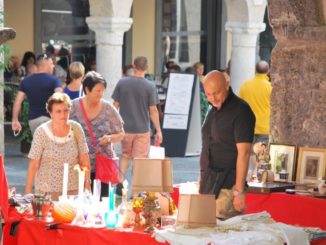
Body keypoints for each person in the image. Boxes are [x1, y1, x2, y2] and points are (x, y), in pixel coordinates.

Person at [199, 70, 255, 220]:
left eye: (216, 93)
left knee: (223, 236)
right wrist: (202, 176)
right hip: (208, 183)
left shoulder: (241, 110)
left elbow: (244, 153)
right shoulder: (212, 109)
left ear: (227, 85)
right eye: (208, 94)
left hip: (227, 186)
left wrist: (239, 191)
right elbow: (208, 145)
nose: (212, 98)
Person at [25, 92, 90, 201]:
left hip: (73, 191)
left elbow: (84, 159)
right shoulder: (41, 132)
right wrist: (27, 193)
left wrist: (87, 185)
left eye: (66, 110)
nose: (63, 115)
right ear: (51, 113)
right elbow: (34, 164)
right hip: (47, 193)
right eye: (58, 111)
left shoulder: (76, 128)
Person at [112, 56, 162, 195]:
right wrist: (158, 130)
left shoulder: (122, 83)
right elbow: (153, 110)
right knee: (139, 161)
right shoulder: (150, 86)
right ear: (146, 68)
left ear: (133, 66)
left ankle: (120, 183)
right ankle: (135, 193)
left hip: (125, 128)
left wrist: (113, 125)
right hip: (142, 129)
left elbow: (115, 106)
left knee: (125, 156)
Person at [70, 71, 125, 198]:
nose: (101, 94)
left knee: (102, 201)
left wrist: (110, 138)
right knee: (80, 201)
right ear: (87, 90)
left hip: (102, 164)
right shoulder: (73, 106)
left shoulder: (108, 108)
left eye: (102, 91)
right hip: (79, 164)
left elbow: (121, 133)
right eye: (98, 90)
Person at [12, 53, 63, 135]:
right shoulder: (54, 80)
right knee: (52, 147)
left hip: (33, 120)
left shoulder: (26, 81)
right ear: (45, 65)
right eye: (51, 63)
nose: (53, 66)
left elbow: (17, 102)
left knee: (39, 146)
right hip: (50, 119)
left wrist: (15, 119)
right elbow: (60, 98)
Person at [239, 60, 272, 145]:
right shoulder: (270, 87)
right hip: (264, 128)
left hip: (247, 127)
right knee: (261, 157)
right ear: (268, 71)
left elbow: (239, 106)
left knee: (247, 156)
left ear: (255, 70)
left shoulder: (245, 85)